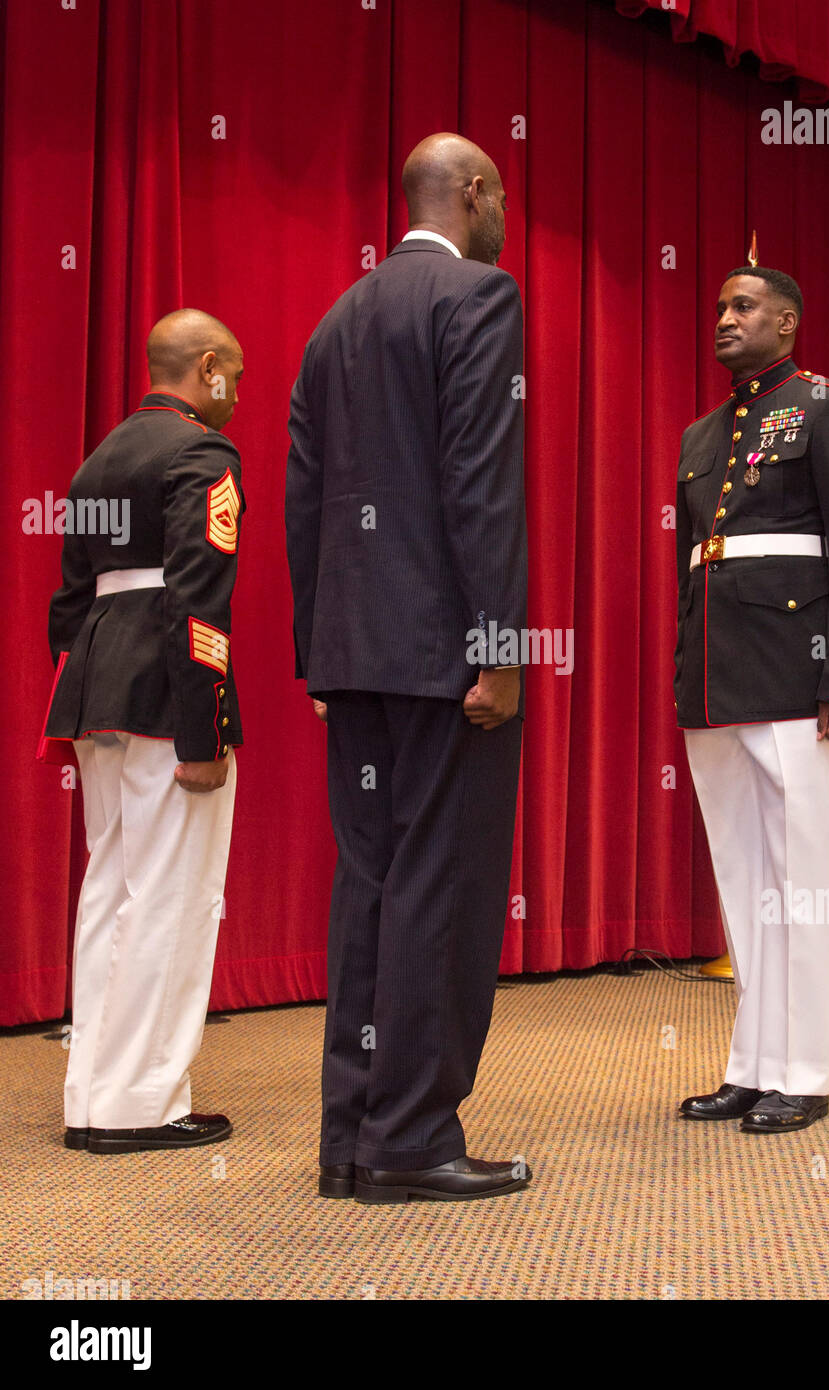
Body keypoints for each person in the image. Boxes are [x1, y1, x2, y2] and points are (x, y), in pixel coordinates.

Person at [286, 133, 531, 1203]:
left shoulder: (332, 320)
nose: (503, 221)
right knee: (443, 883)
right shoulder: (477, 296)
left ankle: (351, 1132)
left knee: (371, 887)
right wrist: (499, 647)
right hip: (444, 656)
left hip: (355, 654)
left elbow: (303, 506)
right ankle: (415, 1136)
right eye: (501, 200)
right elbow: (479, 483)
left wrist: (319, 652)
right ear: (472, 193)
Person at [674, 265, 829, 1132]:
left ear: (789, 323)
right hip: (717, 682)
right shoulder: (699, 436)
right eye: (721, 306)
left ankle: (802, 1072)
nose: (725, 318)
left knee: (800, 885)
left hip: (800, 679)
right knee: (744, 885)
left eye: (744, 306)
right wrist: (688, 675)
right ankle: (752, 1062)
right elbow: (695, 570)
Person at [44, 309, 245, 1153]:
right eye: (235, 373)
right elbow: (198, 602)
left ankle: (92, 1092)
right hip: (167, 695)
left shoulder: (98, 459)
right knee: (174, 895)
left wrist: (89, 678)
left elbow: (66, 604)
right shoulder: (203, 453)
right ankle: (143, 1103)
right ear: (207, 368)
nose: (238, 391)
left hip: (95, 689)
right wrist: (206, 732)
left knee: (110, 890)